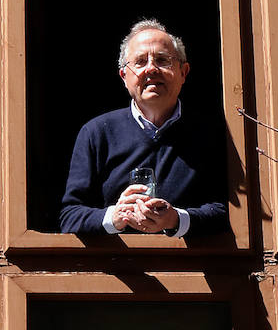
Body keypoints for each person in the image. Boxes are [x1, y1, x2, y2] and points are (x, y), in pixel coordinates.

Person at [59, 19, 227, 238]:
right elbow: (70, 217)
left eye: (162, 60)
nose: (151, 68)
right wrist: (116, 217)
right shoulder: (97, 132)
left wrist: (176, 219)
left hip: (189, 269)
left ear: (183, 72)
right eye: (140, 62)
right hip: (116, 269)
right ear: (124, 77)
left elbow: (231, 215)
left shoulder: (210, 133)